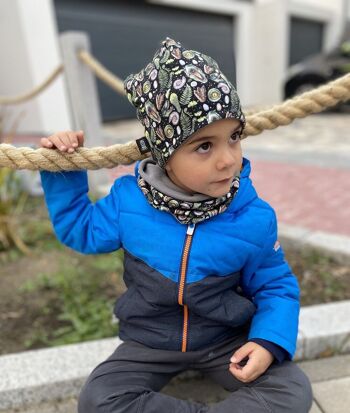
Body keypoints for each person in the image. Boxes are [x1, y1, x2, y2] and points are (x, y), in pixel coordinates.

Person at [40, 37, 313, 413]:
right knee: (98, 400)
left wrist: (267, 342)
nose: (227, 161)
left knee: (292, 391)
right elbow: (81, 230)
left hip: (225, 342)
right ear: (164, 155)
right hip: (147, 343)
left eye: (234, 138)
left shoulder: (253, 217)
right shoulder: (129, 201)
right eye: (204, 146)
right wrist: (63, 170)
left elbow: (276, 287)